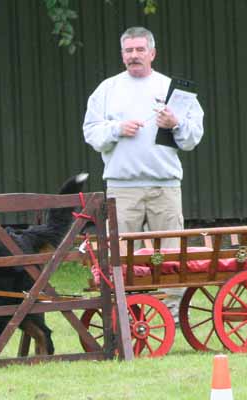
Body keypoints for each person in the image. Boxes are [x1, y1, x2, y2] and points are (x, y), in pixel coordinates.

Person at [82, 26, 204, 321]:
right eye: (128, 50)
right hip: (122, 188)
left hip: (165, 186)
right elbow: (91, 133)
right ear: (122, 54)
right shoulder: (107, 90)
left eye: (139, 50)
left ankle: (171, 314)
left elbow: (192, 138)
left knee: (172, 256)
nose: (134, 56)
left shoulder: (173, 90)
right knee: (120, 256)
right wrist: (116, 129)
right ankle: (126, 314)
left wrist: (175, 123)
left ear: (152, 53)